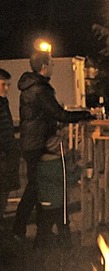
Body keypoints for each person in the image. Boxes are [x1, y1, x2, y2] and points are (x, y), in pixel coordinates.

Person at [12, 50, 93, 241]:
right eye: (52, 64)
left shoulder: (33, 87)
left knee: (38, 186)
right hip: (37, 144)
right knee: (36, 187)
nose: (54, 67)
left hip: (33, 142)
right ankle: (21, 229)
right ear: (44, 67)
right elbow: (60, 114)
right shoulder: (40, 89)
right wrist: (85, 114)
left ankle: (40, 230)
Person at [34, 136, 81, 248]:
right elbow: (68, 179)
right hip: (58, 201)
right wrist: (80, 169)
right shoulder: (57, 166)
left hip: (45, 200)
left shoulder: (44, 163)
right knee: (63, 224)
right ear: (58, 150)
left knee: (44, 225)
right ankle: (66, 245)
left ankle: (39, 245)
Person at [0, 68, 20, 230]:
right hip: (2, 154)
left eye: (8, 85)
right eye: (3, 84)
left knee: (4, 191)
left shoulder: (3, 103)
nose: (6, 88)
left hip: (7, 154)